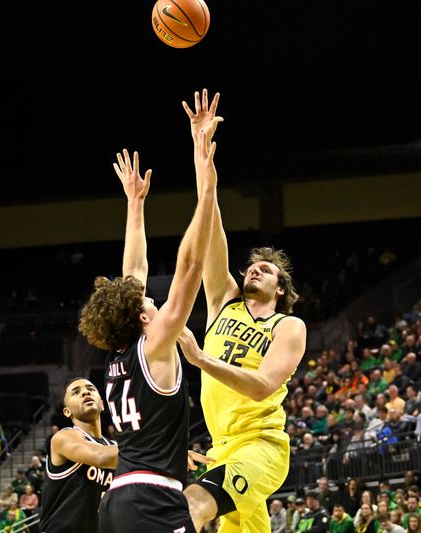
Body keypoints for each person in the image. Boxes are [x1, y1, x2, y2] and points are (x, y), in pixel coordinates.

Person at [79, 89, 220, 533]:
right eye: (149, 304)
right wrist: (206, 178)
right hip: (153, 500)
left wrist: (135, 205)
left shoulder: (121, 352)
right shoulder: (155, 346)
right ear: (143, 318)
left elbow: (133, 272)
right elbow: (191, 266)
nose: (154, 302)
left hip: (118, 502)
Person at [176, 90, 308, 533]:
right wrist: (202, 158)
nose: (254, 269)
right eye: (252, 266)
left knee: (192, 503)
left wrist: (199, 359)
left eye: (265, 269)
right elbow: (209, 226)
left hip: (261, 446)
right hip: (221, 448)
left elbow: (262, 386)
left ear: (281, 287)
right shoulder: (224, 301)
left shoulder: (289, 325)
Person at [40, 378, 118, 533]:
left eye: (91, 389)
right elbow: (100, 456)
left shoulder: (114, 448)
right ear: (67, 411)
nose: (85, 392)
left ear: (102, 404)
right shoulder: (63, 438)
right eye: (76, 392)